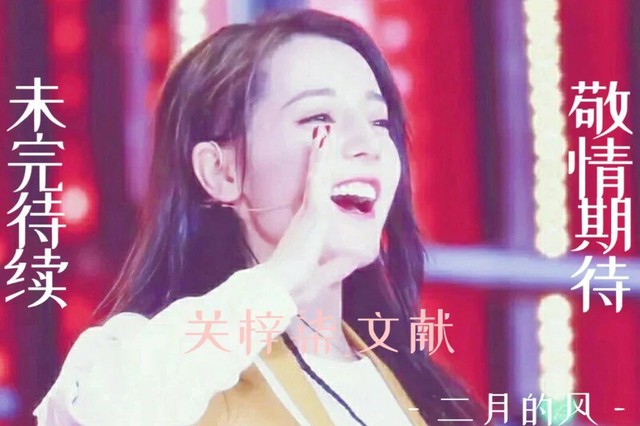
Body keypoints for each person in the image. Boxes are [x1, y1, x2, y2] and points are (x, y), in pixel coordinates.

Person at [34, 9, 484, 426]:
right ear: (221, 172)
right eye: (318, 118)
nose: (366, 144)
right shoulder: (156, 368)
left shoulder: (419, 388)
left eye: (379, 122)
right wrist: (287, 274)